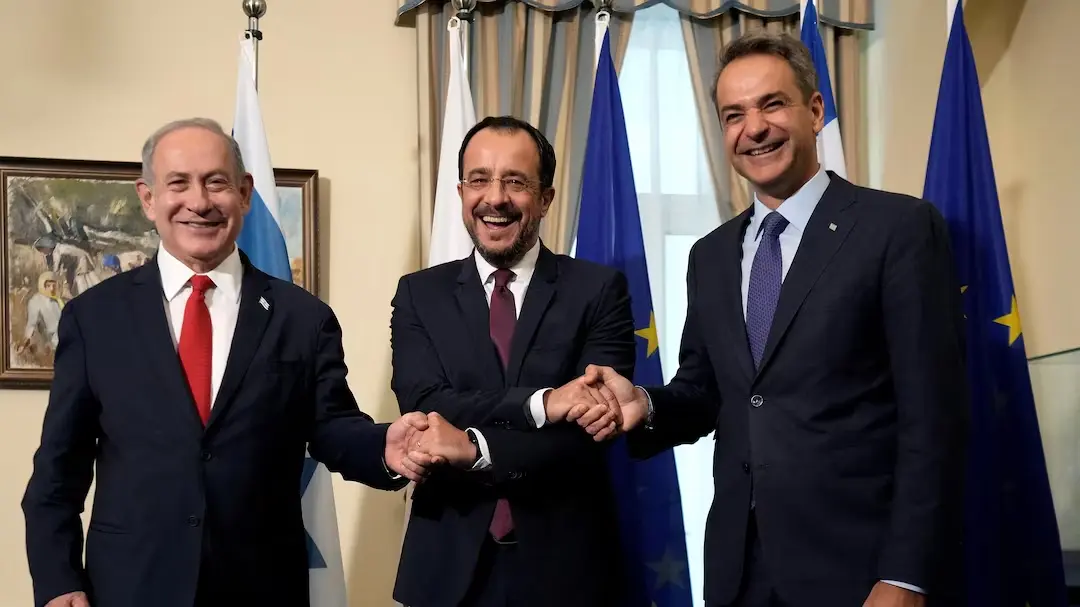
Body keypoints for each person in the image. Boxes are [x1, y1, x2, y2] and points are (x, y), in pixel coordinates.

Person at [580, 31, 969, 607]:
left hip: (860, 572)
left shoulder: (898, 229)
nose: (754, 128)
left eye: (772, 104)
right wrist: (646, 405)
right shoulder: (710, 255)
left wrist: (906, 575)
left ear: (814, 110)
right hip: (739, 572)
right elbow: (706, 393)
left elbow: (933, 418)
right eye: (734, 115)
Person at [21, 118, 433, 607]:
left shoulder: (302, 318)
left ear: (244, 193)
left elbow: (333, 428)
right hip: (130, 586)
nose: (199, 202)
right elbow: (58, 469)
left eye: (216, 182)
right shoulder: (94, 318)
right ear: (148, 198)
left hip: (260, 587)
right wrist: (59, 581)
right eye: (178, 183)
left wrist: (384, 446)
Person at [389, 115, 632, 607]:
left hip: (569, 568)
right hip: (446, 567)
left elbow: (592, 426)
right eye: (479, 180)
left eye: (516, 182)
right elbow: (426, 406)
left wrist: (474, 447)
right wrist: (543, 404)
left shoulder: (598, 291)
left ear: (546, 198)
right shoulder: (419, 294)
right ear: (461, 192)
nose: (495, 198)